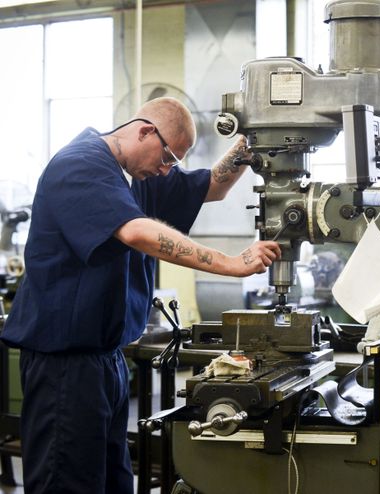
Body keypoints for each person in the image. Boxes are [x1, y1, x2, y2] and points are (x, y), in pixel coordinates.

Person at [0, 97, 281, 493]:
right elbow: (137, 232)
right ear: (145, 130)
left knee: (114, 482)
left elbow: (212, 186)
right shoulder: (81, 164)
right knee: (67, 483)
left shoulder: (139, 176)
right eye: (167, 157)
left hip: (107, 360)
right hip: (64, 366)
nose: (167, 170)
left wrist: (250, 141)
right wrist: (229, 263)